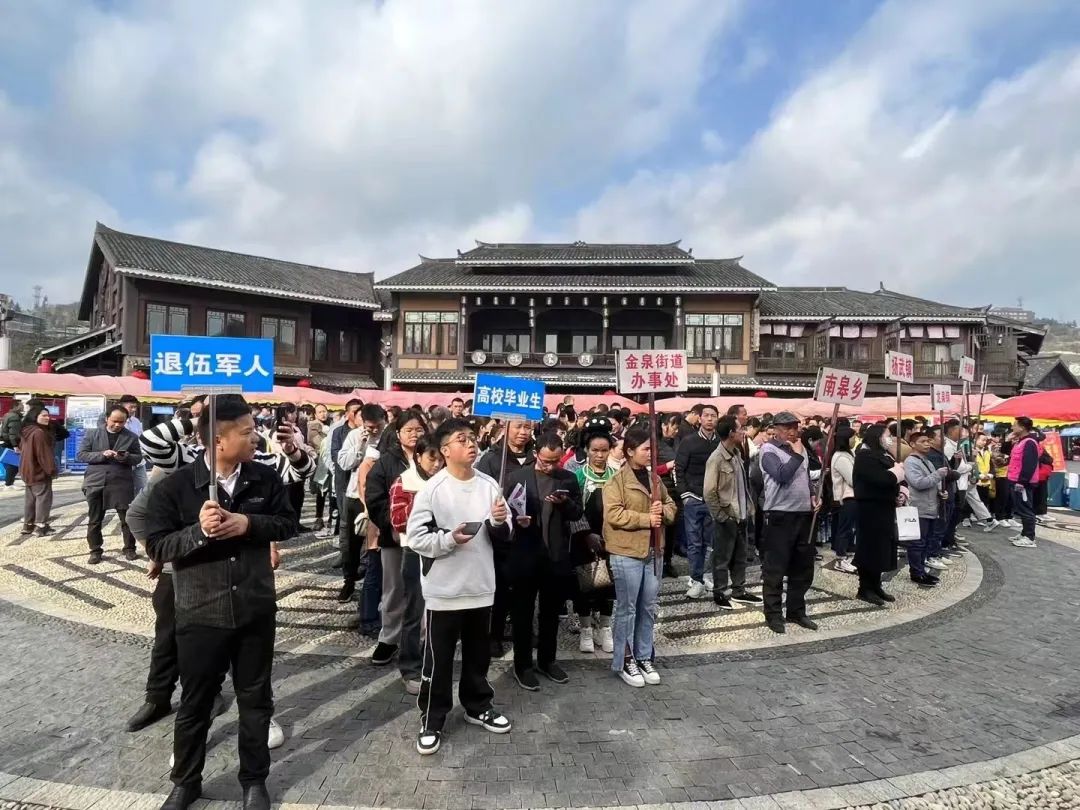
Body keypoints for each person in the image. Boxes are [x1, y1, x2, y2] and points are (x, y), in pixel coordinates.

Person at [145, 394, 296, 810]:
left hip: (254, 608)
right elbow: (157, 547)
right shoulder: (175, 486)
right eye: (247, 432)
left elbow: (288, 523)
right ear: (218, 440)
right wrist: (198, 533)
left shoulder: (265, 479)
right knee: (195, 702)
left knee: (255, 699)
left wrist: (247, 524)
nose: (255, 438)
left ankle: (254, 780)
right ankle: (186, 782)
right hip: (199, 611)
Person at [407, 418, 512, 756]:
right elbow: (416, 538)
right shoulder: (433, 489)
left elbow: (504, 534)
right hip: (444, 590)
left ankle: (478, 705)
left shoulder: (488, 485)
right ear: (445, 450)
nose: (470, 444)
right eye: (461, 439)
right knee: (437, 660)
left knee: (478, 656)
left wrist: (498, 521)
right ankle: (432, 718)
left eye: (472, 437)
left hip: (481, 585)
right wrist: (450, 539)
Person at [503, 433, 583, 690]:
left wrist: (565, 502)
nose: (550, 466)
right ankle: (522, 665)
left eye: (555, 461)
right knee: (523, 613)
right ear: (536, 453)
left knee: (550, 613)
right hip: (525, 553)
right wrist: (517, 521)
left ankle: (548, 660)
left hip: (556, 555)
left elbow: (577, 513)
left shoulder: (567, 478)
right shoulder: (517, 477)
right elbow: (502, 513)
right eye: (546, 461)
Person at [603, 426, 676, 688]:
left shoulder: (654, 479)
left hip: (654, 552)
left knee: (647, 607)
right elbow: (614, 515)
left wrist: (664, 512)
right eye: (646, 449)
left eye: (652, 449)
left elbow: (671, 506)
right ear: (630, 451)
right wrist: (647, 518)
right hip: (627, 553)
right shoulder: (616, 482)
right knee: (628, 608)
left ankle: (644, 656)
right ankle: (625, 658)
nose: (650, 454)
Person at [365, 410, 427, 670]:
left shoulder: (434, 458)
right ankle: (389, 637)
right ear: (398, 434)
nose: (414, 434)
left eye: (419, 430)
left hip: (426, 538)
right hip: (394, 538)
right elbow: (374, 497)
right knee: (393, 588)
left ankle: (421, 639)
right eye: (408, 430)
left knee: (423, 590)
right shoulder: (386, 462)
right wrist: (390, 525)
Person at [389, 434, 444, 695]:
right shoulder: (405, 482)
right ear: (418, 456)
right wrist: (427, 510)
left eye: (440, 458)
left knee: (436, 611)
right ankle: (409, 667)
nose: (436, 464)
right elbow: (398, 520)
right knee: (414, 610)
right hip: (414, 550)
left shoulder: (447, 481)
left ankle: (431, 663)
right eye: (431, 457)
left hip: (442, 549)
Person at [475, 418, 535, 655]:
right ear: (505, 429)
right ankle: (494, 634)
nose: (523, 432)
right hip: (500, 533)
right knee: (499, 587)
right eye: (518, 426)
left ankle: (525, 632)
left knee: (527, 589)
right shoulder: (492, 459)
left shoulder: (536, 456)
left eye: (527, 427)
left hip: (531, 533)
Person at [758, 411, 816, 634]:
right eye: (787, 428)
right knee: (775, 569)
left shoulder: (800, 450)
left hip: (802, 515)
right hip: (779, 516)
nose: (792, 432)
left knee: (802, 568)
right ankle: (773, 614)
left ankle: (796, 610)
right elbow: (781, 475)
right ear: (776, 429)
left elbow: (805, 478)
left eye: (795, 427)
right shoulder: (769, 451)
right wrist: (798, 455)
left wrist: (812, 495)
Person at [702, 416, 760, 609]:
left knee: (740, 556)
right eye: (740, 429)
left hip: (741, 513)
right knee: (722, 557)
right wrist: (721, 516)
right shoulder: (716, 458)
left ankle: (739, 589)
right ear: (730, 433)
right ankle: (720, 592)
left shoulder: (736, 453)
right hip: (727, 516)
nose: (743, 431)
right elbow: (709, 491)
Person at [571, 417, 618, 653]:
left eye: (604, 450)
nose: (600, 455)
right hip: (584, 539)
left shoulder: (617, 474)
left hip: (613, 538)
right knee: (585, 584)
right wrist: (586, 533)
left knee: (610, 586)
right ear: (587, 451)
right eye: (595, 451)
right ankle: (586, 629)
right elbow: (573, 509)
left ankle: (605, 628)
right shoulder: (578, 475)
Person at [78, 405, 143, 564]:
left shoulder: (131, 437)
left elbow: (138, 458)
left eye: (122, 422)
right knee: (95, 519)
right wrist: (101, 454)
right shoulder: (93, 434)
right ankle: (95, 550)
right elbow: (81, 455)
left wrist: (125, 457)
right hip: (96, 481)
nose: (117, 425)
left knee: (126, 518)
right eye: (114, 421)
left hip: (121, 482)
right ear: (107, 418)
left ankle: (129, 548)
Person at [335, 403, 386, 606]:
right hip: (355, 495)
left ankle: (373, 584)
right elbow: (344, 464)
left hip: (380, 495)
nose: (374, 430)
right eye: (370, 426)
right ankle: (349, 581)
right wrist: (360, 447)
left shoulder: (389, 436)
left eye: (377, 426)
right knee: (351, 542)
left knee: (376, 542)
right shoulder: (355, 435)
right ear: (362, 422)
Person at [852, 425, 906, 605]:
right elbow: (879, 479)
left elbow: (894, 480)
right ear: (877, 437)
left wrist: (899, 492)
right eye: (887, 435)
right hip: (870, 510)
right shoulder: (864, 457)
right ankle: (865, 588)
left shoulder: (884, 455)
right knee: (870, 549)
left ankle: (876, 585)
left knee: (881, 548)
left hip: (885, 508)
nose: (889, 439)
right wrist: (895, 474)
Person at [675, 403, 720, 599]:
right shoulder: (688, 441)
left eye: (713, 415)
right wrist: (684, 495)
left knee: (710, 542)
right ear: (699, 418)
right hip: (693, 498)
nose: (710, 419)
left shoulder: (721, 441)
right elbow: (678, 469)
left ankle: (704, 575)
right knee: (694, 542)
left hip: (714, 499)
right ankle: (695, 579)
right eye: (706, 415)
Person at [904, 430, 950, 587]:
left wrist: (940, 492)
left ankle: (921, 570)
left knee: (926, 540)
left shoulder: (927, 461)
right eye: (923, 441)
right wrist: (938, 475)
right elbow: (919, 483)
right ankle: (916, 572)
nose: (927, 444)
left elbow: (932, 483)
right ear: (912, 444)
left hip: (931, 507)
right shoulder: (911, 462)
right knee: (917, 542)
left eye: (928, 441)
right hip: (918, 507)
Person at [18, 405, 57, 536]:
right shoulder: (39, 432)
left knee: (30, 499)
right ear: (35, 417)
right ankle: (41, 526)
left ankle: (28, 525)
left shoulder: (26, 430)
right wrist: (51, 470)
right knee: (43, 498)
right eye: (44, 415)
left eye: (48, 415)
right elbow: (43, 454)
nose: (47, 418)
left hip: (27, 470)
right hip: (39, 471)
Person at [1007, 417, 1040, 548]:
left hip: (1022, 482)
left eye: (1014, 425)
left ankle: (1029, 537)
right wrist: (1007, 440)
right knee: (1020, 507)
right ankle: (1024, 533)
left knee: (1026, 508)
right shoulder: (1019, 442)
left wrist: (1022, 481)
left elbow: (1029, 464)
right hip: (1014, 479)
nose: (1012, 428)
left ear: (1022, 427)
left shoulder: (1030, 442)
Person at [829, 427, 858, 574]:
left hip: (851, 496)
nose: (855, 440)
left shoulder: (848, 454)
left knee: (847, 528)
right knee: (844, 529)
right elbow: (853, 479)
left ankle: (844, 555)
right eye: (853, 437)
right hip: (845, 497)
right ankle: (840, 559)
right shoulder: (841, 457)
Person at [1, 399, 25, 488]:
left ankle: (9, 482)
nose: (23, 406)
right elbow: (13, 433)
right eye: (21, 405)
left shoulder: (7, 415)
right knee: (13, 464)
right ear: (16, 406)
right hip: (11, 443)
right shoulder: (15, 417)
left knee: (11, 464)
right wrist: (15, 445)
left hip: (7, 442)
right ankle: (9, 483)